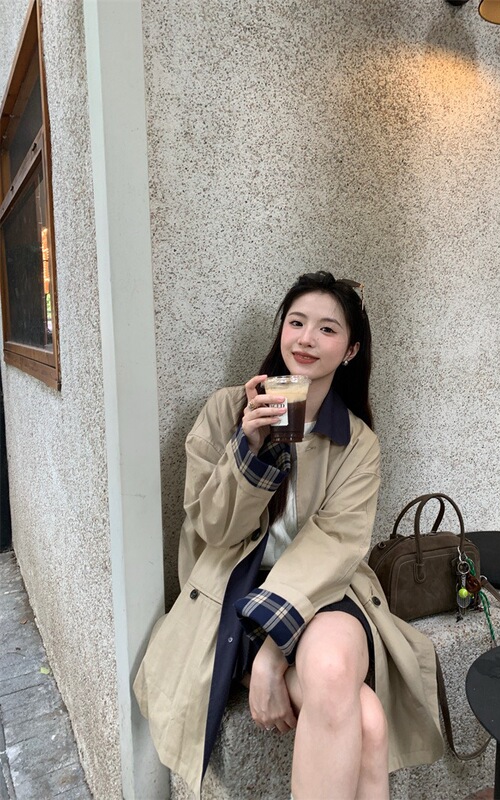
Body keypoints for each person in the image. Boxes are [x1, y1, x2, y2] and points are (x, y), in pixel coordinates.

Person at [134, 271, 444, 800]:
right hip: (234, 592)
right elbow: (213, 530)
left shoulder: (357, 442)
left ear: (350, 350)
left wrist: (274, 654)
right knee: (367, 720)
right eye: (296, 323)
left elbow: (335, 544)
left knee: (332, 667)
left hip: (323, 591)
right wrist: (249, 447)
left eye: (327, 329)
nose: (306, 339)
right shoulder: (226, 412)